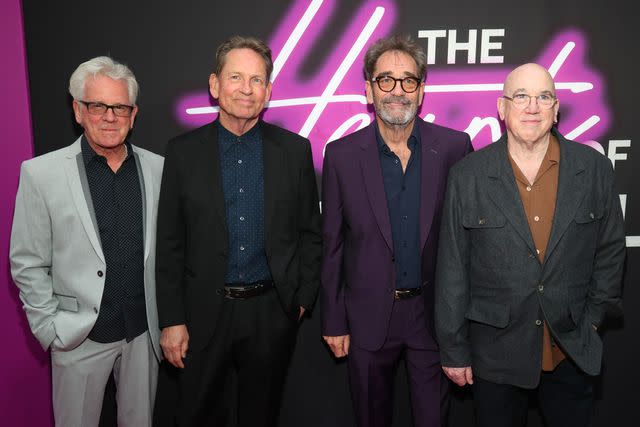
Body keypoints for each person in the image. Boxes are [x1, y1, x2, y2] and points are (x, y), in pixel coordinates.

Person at [434, 63, 626, 427]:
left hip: (570, 348)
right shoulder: (467, 175)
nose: (532, 107)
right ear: (502, 108)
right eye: (520, 96)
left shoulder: (594, 169)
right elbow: (453, 267)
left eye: (544, 97)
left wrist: (593, 320)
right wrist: (453, 348)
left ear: (556, 110)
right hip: (494, 354)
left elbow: (611, 251)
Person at [154, 35, 322, 426]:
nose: (246, 89)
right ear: (215, 85)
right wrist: (172, 319)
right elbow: (169, 244)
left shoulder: (295, 151)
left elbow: (310, 233)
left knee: (261, 416)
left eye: (257, 80)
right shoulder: (182, 152)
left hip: (271, 312)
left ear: (268, 91)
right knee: (196, 415)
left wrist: (300, 299)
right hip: (203, 314)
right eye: (236, 77)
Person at [320, 35, 473, 427]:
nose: (397, 91)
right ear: (369, 90)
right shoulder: (340, 155)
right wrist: (333, 319)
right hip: (368, 319)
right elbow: (332, 244)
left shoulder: (455, 148)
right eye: (385, 80)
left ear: (422, 91)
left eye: (408, 81)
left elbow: (470, 243)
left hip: (432, 318)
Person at [10, 56, 164, 426]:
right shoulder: (41, 173)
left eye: (120, 107)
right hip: (79, 337)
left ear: (134, 113)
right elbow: (27, 261)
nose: (110, 117)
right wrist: (50, 328)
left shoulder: (159, 168)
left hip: (143, 334)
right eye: (98, 106)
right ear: (78, 111)